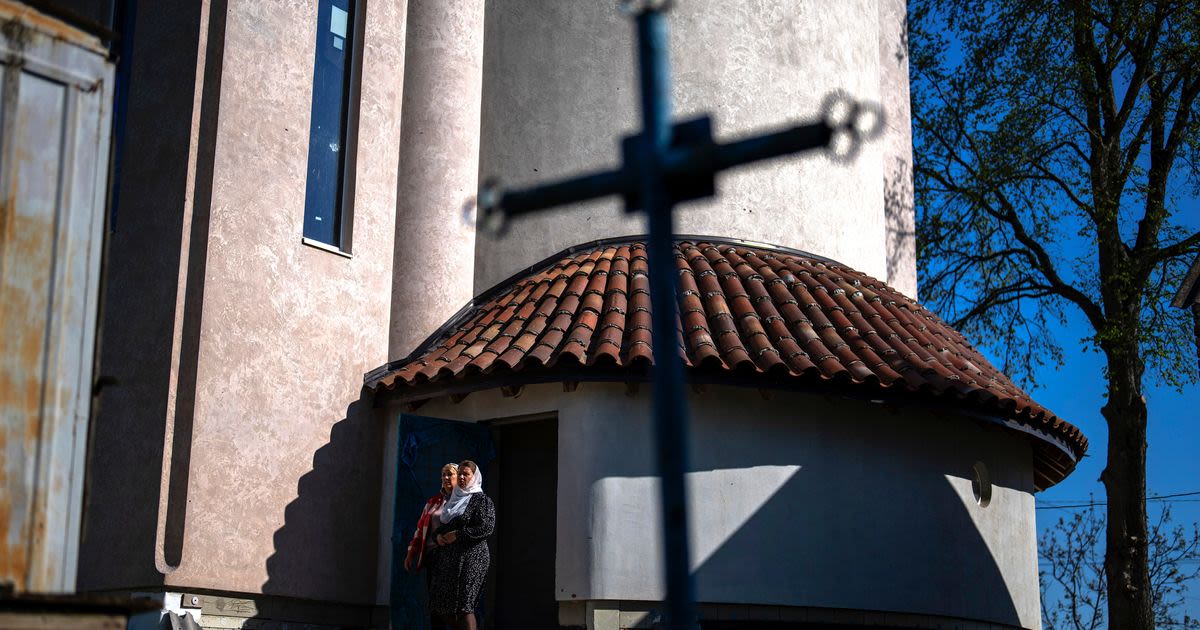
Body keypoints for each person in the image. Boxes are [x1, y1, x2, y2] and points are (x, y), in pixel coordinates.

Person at [430, 460, 495, 630]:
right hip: (450, 559)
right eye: (460, 474)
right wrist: (438, 536)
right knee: (441, 606)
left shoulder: (481, 500)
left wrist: (458, 535)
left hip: (472, 558)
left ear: (474, 477)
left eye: (466, 474)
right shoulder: (453, 501)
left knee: (465, 605)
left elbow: (486, 527)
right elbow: (443, 527)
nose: (461, 477)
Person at [404, 463, 458, 630]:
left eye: (450, 474)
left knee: (448, 604)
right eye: (443, 474)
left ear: (459, 477)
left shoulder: (463, 502)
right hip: (432, 558)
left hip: (451, 558)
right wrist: (411, 553)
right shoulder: (433, 502)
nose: (446, 478)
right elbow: (420, 530)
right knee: (434, 604)